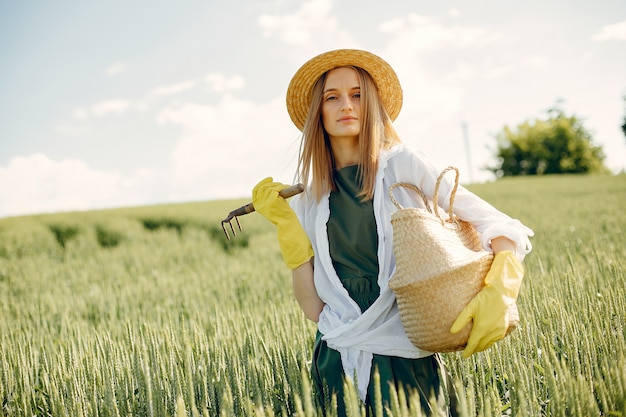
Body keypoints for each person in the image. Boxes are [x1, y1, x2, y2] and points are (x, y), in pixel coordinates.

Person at [252, 49, 533, 416]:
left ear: (371, 104)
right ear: (317, 114)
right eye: (331, 97)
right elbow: (314, 309)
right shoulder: (309, 195)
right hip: (336, 363)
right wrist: (289, 230)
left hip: (406, 360)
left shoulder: (403, 164)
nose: (346, 105)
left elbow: (499, 224)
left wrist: (502, 284)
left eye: (357, 95)